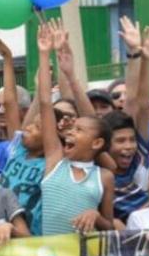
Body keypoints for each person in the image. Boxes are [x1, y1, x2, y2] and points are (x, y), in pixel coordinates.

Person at [36, 24, 116, 236]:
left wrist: (96, 216)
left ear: (97, 143)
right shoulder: (55, 161)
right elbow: (45, 103)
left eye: (78, 129)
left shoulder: (105, 177)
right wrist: (44, 54)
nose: (70, 131)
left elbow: (110, 227)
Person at [106, 17, 149, 225]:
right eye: (120, 141)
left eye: (131, 139)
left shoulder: (140, 157)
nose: (128, 147)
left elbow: (139, 103)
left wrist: (142, 57)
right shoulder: (100, 176)